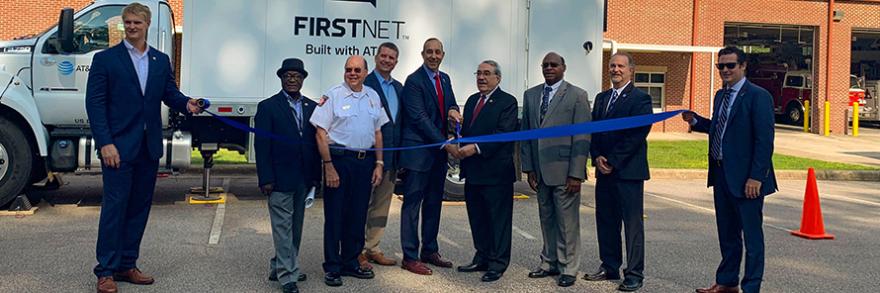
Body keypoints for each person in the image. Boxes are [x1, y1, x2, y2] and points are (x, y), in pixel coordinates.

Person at [85, 3, 203, 293]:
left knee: (138, 208)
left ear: (147, 24)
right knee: (115, 208)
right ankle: (106, 271)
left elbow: (170, 94)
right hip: (118, 148)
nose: (132, 26)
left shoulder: (160, 60)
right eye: (128, 22)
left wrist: (187, 103)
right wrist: (106, 143)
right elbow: (95, 106)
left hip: (148, 147)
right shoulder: (105, 60)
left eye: (137, 22)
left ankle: (127, 264)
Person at [684, 46, 777, 293]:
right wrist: (696, 121)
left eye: (730, 65)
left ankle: (751, 287)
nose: (725, 70)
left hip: (748, 180)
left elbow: (764, 141)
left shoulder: (758, 96)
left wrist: (756, 177)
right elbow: (720, 128)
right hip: (722, 174)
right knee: (727, 234)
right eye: (721, 66)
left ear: (743, 66)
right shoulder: (720, 95)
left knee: (752, 238)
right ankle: (727, 281)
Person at [310, 55, 388, 287]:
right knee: (335, 217)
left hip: (365, 163)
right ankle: (333, 267)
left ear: (366, 72)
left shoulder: (373, 96)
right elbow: (320, 134)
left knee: (357, 215)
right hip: (339, 162)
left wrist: (379, 164)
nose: (352, 73)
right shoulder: (333, 95)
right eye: (348, 70)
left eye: (357, 70)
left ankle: (350, 261)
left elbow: (378, 134)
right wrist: (329, 166)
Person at [520, 52, 591, 287]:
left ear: (563, 67)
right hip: (539, 171)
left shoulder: (577, 96)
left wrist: (576, 173)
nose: (549, 68)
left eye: (554, 65)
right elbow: (527, 135)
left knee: (567, 223)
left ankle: (568, 267)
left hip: (565, 172)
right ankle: (548, 262)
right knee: (546, 218)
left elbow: (582, 137)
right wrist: (529, 168)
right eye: (545, 65)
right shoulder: (531, 96)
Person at [584, 52, 652, 292]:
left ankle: (634, 273)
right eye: (612, 66)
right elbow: (594, 131)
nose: (616, 70)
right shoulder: (602, 98)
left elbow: (636, 135)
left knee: (632, 226)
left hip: (628, 172)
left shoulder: (641, 99)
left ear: (631, 70)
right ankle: (609, 266)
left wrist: (612, 160)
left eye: (621, 66)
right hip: (605, 171)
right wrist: (598, 157)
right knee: (606, 221)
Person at [254, 58, 320, 293]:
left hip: (303, 178)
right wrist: (266, 179)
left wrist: (315, 178)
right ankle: (288, 275)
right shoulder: (268, 107)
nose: (292, 79)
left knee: (295, 227)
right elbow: (261, 147)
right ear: (281, 78)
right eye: (287, 75)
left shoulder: (312, 107)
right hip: (279, 179)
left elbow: (314, 144)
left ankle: (279, 265)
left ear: (303, 79)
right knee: (282, 228)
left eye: (297, 75)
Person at [398, 38, 462, 275]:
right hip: (419, 154)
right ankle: (410, 256)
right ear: (422, 54)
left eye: (437, 52)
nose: (433, 56)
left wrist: (454, 110)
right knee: (412, 204)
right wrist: (446, 143)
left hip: (437, 155)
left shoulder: (444, 79)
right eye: (429, 52)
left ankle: (430, 250)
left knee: (434, 202)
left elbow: (451, 104)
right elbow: (420, 118)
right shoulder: (414, 81)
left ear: (443, 55)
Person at [454, 60, 519, 282]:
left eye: (487, 74)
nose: (481, 77)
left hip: (496, 173)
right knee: (478, 218)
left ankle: (497, 263)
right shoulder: (472, 101)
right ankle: (481, 256)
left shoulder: (507, 102)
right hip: (473, 172)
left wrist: (477, 148)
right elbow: (468, 132)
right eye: (479, 73)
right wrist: (457, 140)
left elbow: (504, 134)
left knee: (497, 220)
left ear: (497, 78)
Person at [359, 42, 404, 269]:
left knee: (382, 205)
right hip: (368, 157)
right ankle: (355, 250)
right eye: (383, 56)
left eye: (392, 57)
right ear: (376, 57)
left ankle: (372, 247)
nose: (387, 60)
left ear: (396, 62)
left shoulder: (399, 88)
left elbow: (399, 124)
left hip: (391, 157)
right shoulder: (364, 83)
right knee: (360, 204)